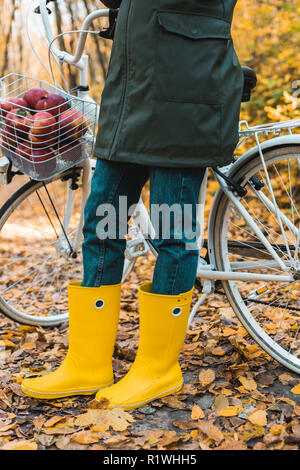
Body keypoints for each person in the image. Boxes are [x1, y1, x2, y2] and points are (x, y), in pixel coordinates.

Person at [21, 0, 243, 410]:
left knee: (172, 233)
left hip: (182, 104)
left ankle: (159, 368)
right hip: (130, 102)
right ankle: (89, 361)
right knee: (101, 223)